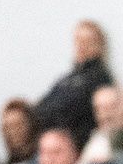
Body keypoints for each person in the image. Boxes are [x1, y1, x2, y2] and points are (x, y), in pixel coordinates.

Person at [34, 21, 116, 151]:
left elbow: (67, 111)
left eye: (87, 41)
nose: (81, 46)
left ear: (99, 46)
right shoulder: (65, 79)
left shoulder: (100, 78)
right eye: (78, 41)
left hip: (76, 148)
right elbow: (40, 107)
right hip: (49, 143)